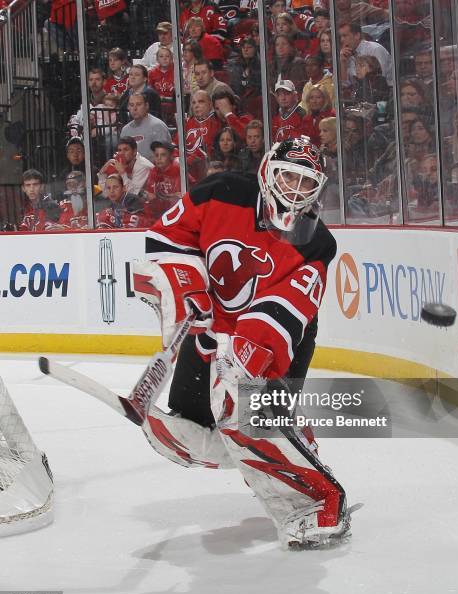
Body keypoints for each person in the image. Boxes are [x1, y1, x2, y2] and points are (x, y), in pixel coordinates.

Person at [132, 136, 351, 549]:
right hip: (211, 327)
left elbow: (289, 307)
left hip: (277, 339)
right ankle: (223, 431)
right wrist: (187, 289)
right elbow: (166, 239)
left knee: (252, 414)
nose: (294, 191)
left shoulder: (318, 242)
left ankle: (310, 497)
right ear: (268, 170)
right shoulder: (221, 192)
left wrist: (246, 352)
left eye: (306, 184)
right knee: (194, 411)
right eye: (288, 177)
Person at [120, 93, 172, 161]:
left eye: (138, 104)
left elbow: (163, 157)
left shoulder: (158, 126)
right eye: (132, 105)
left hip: (153, 169)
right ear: (128, 107)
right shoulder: (125, 130)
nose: (135, 108)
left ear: (146, 106)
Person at [143, 141, 186, 219]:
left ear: (170, 156)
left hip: (177, 213)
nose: (159, 158)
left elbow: (180, 197)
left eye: (163, 155)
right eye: (156, 155)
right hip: (160, 212)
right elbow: (150, 195)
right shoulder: (154, 171)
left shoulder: (179, 171)